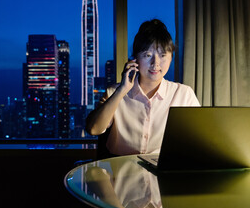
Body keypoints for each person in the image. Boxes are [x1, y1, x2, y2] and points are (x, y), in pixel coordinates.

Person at [85, 19, 200, 156]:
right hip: (120, 171)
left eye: (163, 55)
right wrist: (121, 91)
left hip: (163, 172)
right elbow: (93, 129)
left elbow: (199, 139)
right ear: (134, 59)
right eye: (147, 55)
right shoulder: (114, 92)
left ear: (171, 58)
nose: (155, 63)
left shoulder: (183, 94)